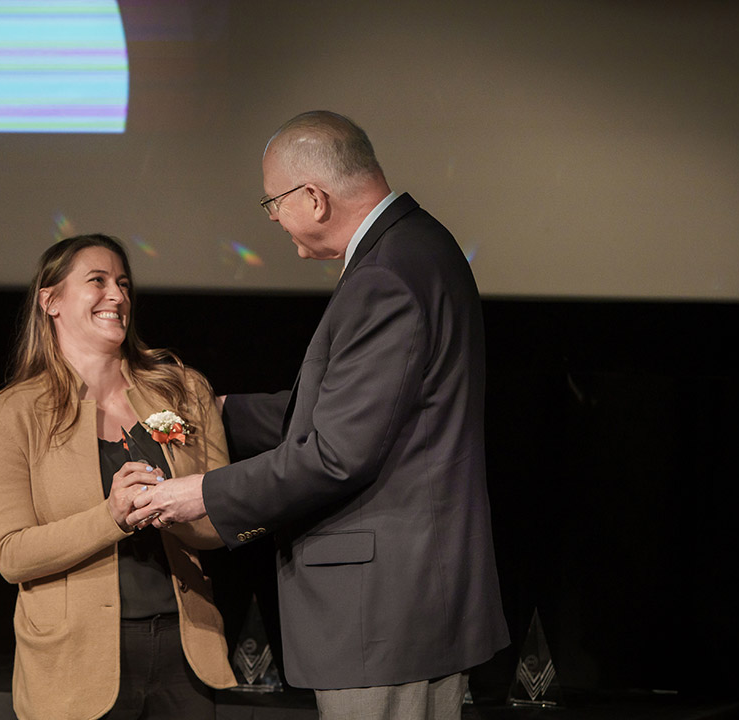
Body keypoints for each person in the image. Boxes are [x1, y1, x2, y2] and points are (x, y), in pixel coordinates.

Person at [128, 111, 510, 719]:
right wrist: (218, 413)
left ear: (314, 197)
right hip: (413, 597)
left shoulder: (386, 276)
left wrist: (202, 493)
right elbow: (358, 411)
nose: (273, 217)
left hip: (384, 610)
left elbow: (337, 453)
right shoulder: (418, 246)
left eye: (272, 201)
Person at [0, 234, 236, 720]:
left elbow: (224, 517)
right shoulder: (12, 415)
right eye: (97, 281)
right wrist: (111, 517)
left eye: (123, 284)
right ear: (50, 301)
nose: (117, 296)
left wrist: (171, 509)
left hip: (185, 651)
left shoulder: (183, 390)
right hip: (74, 664)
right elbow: (11, 554)